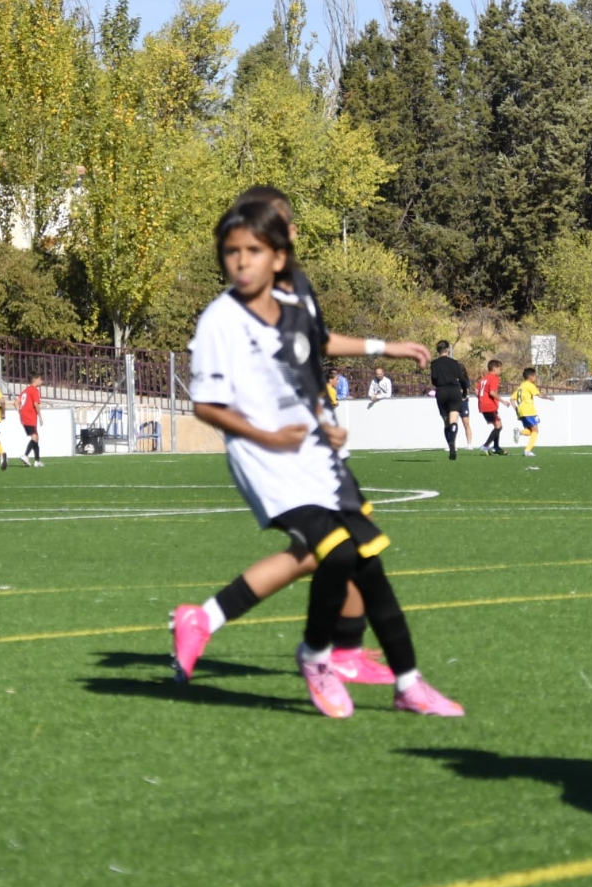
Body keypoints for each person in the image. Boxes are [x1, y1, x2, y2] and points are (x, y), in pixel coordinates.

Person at [186, 198, 461, 718]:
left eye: (257, 247)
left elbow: (304, 366)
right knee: (333, 553)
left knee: (366, 560)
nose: (244, 259)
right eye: (234, 250)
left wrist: (323, 416)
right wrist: (270, 434)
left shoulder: (293, 303)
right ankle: (316, 656)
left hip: (317, 453)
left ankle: (407, 683)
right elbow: (208, 402)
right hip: (271, 460)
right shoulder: (221, 319)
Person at [429, 341, 470, 460]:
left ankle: (450, 444)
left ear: (438, 350)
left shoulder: (434, 364)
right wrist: (465, 392)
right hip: (454, 391)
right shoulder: (454, 363)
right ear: (447, 349)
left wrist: (440, 384)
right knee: (454, 421)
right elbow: (462, 379)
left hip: (442, 391)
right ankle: (453, 442)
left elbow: (434, 379)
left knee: (446, 422)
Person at [514, 367, 552, 457]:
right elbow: (539, 395)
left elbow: (512, 399)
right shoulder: (530, 385)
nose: (536, 378)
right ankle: (527, 451)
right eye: (535, 376)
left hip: (521, 410)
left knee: (531, 431)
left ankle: (520, 432)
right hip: (528, 410)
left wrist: (516, 410)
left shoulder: (521, 386)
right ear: (530, 377)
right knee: (535, 430)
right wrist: (548, 397)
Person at [475, 359, 508, 455]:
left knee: (497, 426)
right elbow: (492, 392)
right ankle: (486, 446)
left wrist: (482, 399)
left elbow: (476, 390)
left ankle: (496, 447)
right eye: (500, 369)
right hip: (490, 406)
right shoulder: (494, 378)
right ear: (494, 369)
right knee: (498, 426)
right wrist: (503, 401)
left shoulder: (483, 379)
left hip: (483, 406)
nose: (500, 371)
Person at [18, 373, 45, 467]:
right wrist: (40, 416)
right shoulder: (34, 390)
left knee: (36, 437)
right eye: (40, 379)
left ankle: (37, 461)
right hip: (30, 416)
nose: (41, 381)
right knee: (34, 437)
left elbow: (16, 403)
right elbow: (36, 404)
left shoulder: (25, 390)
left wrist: (21, 412)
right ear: (35, 380)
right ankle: (25, 455)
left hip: (25, 416)